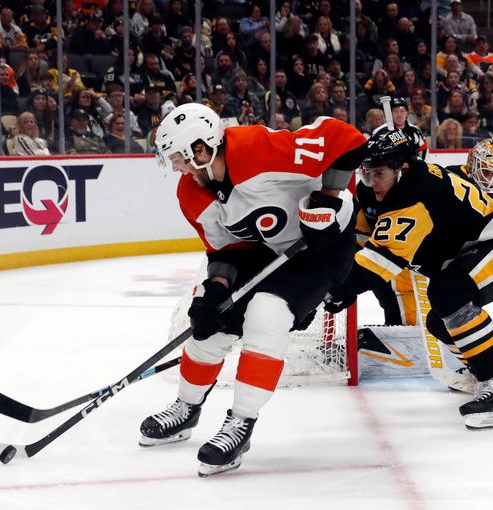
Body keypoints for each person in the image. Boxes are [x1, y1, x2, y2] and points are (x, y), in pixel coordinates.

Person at [141, 103, 367, 476]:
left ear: (201, 149)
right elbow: (226, 250)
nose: (177, 168)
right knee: (209, 321)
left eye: (179, 158)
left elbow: (346, 139)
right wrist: (217, 289)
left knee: (267, 313)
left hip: (322, 249)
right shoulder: (191, 194)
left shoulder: (257, 149)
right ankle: (186, 407)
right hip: (267, 250)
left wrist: (328, 199)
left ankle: (240, 423)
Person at [325, 129, 493, 429]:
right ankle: (480, 371)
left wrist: (329, 289)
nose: (372, 182)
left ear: (401, 170)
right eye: (369, 174)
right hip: (486, 241)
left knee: (449, 293)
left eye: (379, 174)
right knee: (439, 320)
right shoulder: (416, 176)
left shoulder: (413, 200)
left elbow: (374, 268)